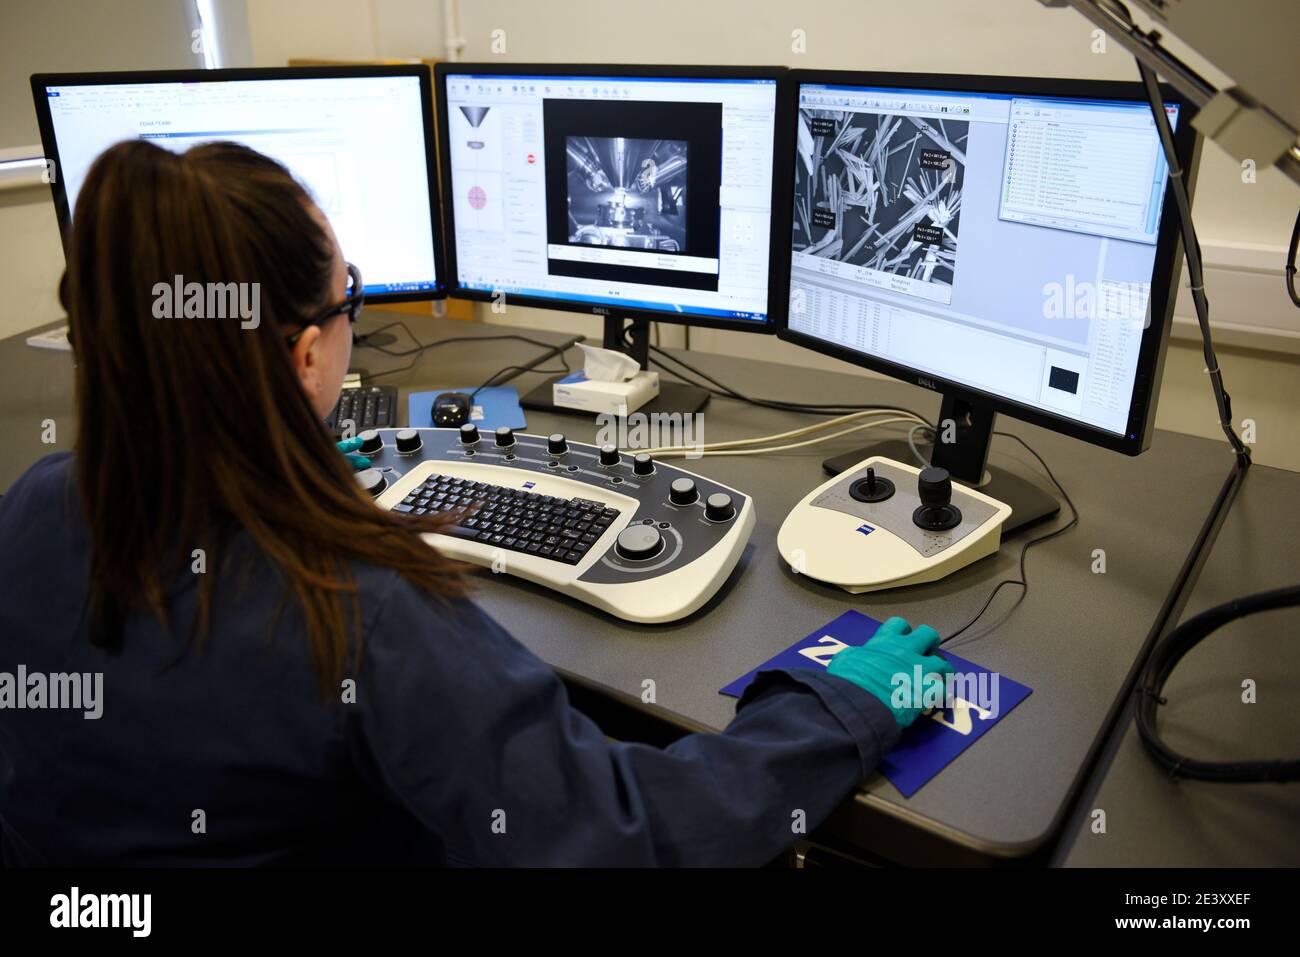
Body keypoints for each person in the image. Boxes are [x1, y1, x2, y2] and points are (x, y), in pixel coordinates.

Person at [0, 140, 953, 866]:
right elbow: (622, 834)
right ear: (304, 354)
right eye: (349, 301)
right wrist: (835, 709)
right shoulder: (353, 609)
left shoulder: (34, 509)